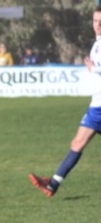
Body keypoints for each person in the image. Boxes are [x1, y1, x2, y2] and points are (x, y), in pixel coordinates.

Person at [30, 7, 101, 197]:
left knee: (78, 142)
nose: (98, 25)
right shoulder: (97, 44)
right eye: (95, 21)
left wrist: (94, 69)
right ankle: (52, 184)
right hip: (97, 104)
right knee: (77, 143)